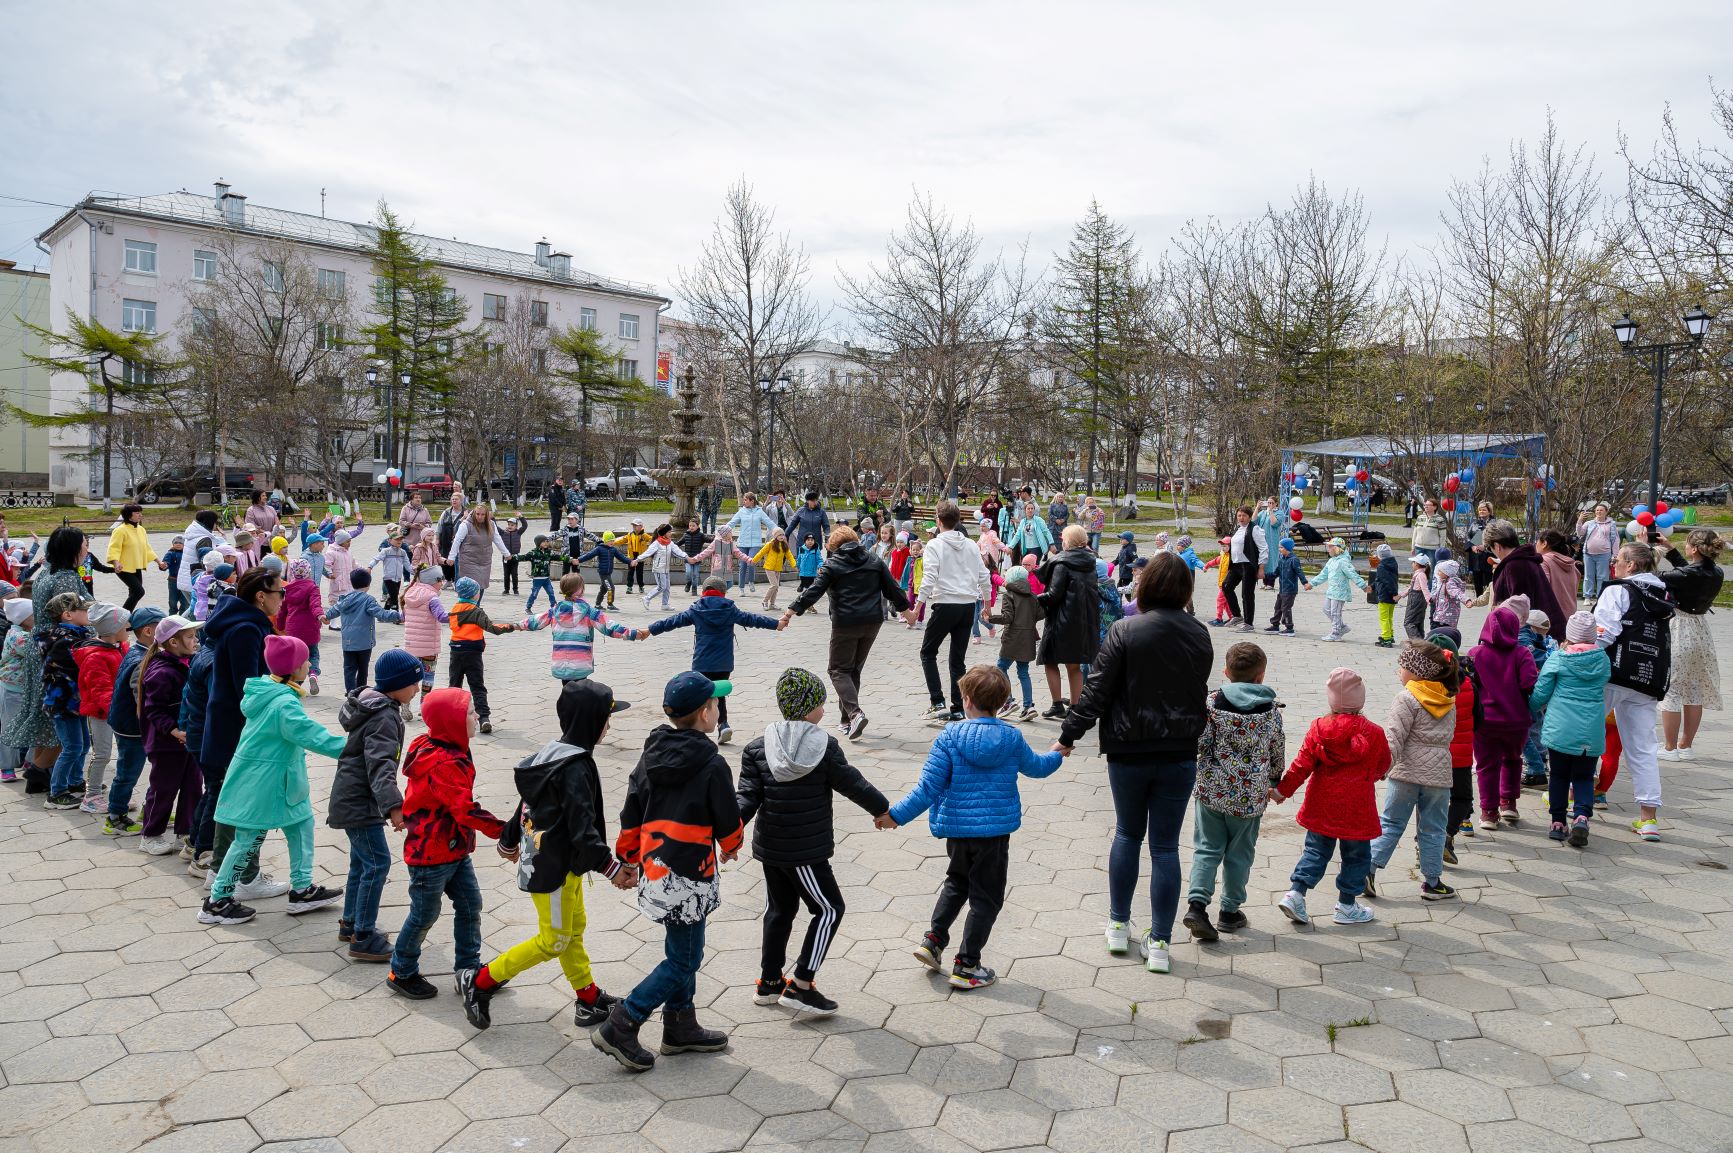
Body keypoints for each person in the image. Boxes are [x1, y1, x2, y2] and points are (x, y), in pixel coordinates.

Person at [1057, 554, 1212, 974]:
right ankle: (1159, 942)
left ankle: (1117, 925)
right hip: (1179, 751)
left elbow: (1096, 690)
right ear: (1184, 590)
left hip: (1129, 749)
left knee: (1127, 834)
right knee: (1165, 847)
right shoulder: (1199, 633)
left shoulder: (1125, 630)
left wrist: (1069, 734)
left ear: (1145, 587)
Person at [593, 672, 742, 1071]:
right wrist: (731, 847)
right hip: (691, 877)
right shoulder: (712, 764)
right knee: (684, 960)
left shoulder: (651, 753)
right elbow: (728, 821)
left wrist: (626, 859)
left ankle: (680, 1024)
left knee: (681, 949)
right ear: (704, 714)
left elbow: (631, 812)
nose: (717, 708)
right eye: (715, 703)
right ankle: (622, 1023)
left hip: (656, 872)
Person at [463, 679, 629, 1031]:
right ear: (590, 722)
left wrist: (508, 840)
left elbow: (528, 802)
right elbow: (582, 827)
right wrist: (611, 868)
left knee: (572, 929)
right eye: (606, 718)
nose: (609, 725)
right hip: (551, 867)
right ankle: (481, 982)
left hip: (560, 863)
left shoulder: (552, 753)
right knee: (553, 939)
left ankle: (588, 999)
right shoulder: (575, 767)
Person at [886, 665, 1063, 988]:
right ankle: (967, 965)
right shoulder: (1011, 737)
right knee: (986, 898)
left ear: (966, 700)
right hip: (994, 835)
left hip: (957, 831)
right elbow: (1037, 768)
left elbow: (927, 789)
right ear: (1002, 702)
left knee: (956, 883)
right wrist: (1057, 753)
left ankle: (933, 940)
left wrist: (894, 815)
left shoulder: (949, 737)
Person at [737, 668, 889, 1015]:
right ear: (810, 708)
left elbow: (746, 798)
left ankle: (769, 983)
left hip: (771, 848)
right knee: (830, 908)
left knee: (780, 910)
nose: (824, 708)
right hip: (804, 849)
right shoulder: (824, 746)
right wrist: (883, 809)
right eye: (821, 702)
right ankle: (802, 983)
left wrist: (730, 833)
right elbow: (853, 783)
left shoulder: (758, 747)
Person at [200, 634, 346, 926]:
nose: (309, 664)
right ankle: (217, 900)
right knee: (247, 840)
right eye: (305, 660)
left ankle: (302, 889)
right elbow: (310, 735)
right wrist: (353, 749)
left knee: (301, 824)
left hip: (282, 783)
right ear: (294, 668)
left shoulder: (273, 692)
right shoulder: (283, 704)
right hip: (262, 784)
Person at [386, 687, 505, 999]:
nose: (477, 716)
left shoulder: (445, 745)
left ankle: (468, 970)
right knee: (424, 914)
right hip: (430, 855)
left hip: (453, 848)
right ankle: (402, 970)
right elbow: (464, 811)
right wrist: (505, 832)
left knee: (470, 905)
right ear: (450, 721)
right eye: (469, 713)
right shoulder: (443, 762)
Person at [1272, 667, 1390, 927]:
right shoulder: (1375, 732)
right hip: (1357, 807)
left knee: (1315, 850)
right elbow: (1383, 765)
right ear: (1360, 699)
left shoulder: (1319, 727)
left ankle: (1296, 893)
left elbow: (1301, 764)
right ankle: (1347, 905)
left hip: (1322, 803)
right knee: (1357, 856)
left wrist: (1282, 790)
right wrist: (1372, 775)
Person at [1182, 641, 1284, 943]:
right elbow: (1277, 749)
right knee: (1240, 854)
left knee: (1207, 848)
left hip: (1212, 790)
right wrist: (1274, 781)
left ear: (1226, 672)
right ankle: (1229, 912)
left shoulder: (1212, 705)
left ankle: (1197, 906)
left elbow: (1200, 744)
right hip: (1249, 798)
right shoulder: (1271, 711)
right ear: (1261, 676)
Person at [329, 649, 420, 963]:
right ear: (396, 685)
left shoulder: (372, 706)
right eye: (413, 683)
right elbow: (379, 766)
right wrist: (395, 806)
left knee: (362, 862)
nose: (418, 689)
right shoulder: (383, 716)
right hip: (360, 801)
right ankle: (364, 936)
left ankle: (352, 922)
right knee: (378, 863)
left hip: (353, 797)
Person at [782, 525, 912, 740]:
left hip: (846, 623)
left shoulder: (832, 565)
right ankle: (846, 721)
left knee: (838, 670)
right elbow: (893, 588)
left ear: (834, 546)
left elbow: (814, 590)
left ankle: (854, 713)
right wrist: (907, 611)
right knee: (852, 671)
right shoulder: (874, 560)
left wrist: (791, 610)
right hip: (873, 621)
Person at [1363, 641, 1459, 903]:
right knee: (1434, 828)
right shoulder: (1448, 698)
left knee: (1392, 822)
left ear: (1418, 671)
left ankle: (1367, 871)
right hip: (1439, 775)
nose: (1399, 672)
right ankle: (1432, 882)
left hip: (1405, 772)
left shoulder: (1406, 698)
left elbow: (1394, 738)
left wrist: (1381, 768)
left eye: (1403, 667)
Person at [1594, 541, 1673, 841]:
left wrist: (1578, 655)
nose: (1614, 563)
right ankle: (1648, 818)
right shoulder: (1663, 594)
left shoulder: (1618, 590)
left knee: (1583, 732)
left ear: (1631, 565)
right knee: (1643, 748)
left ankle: (1575, 796)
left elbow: (1605, 631)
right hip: (1649, 677)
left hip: (1612, 673)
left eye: (1617, 559)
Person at [646, 576, 785, 745]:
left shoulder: (696, 609)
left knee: (700, 695)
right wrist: (776, 624)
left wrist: (649, 630)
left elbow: (672, 621)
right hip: (723, 663)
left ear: (704, 592)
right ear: (723, 593)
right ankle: (722, 724)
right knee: (718, 694)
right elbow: (753, 619)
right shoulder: (730, 609)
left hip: (702, 662)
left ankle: (694, 728)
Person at [1531, 612, 1611, 847]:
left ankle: (1557, 822)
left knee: (1558, 775)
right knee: (1584, 776)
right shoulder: (1603, 660)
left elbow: (1541, 693)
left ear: (1569, 635)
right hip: (1591, 729)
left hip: (1560, 728)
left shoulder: (1558, 658)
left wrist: (1529, 707)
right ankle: (1582, 816)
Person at [915, 503, 993, 724]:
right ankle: (958, 708)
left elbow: (929, 577)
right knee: (957, 660)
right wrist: (987, 604)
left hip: (945, 604)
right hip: (967, 606)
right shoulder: (970, 544)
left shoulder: (934, 545)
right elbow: (984, 575)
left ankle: (937, 702)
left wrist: (917, 606)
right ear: (957, 520)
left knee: (928, 652)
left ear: (938, 520)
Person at [134, 613, 201, 853]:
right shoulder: (162, 672)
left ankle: (186, 831)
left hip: (187, 742)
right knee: (163, 789)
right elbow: (154, 710)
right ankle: (150, 835)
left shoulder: (186, 663)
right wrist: (174, 731)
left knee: (193, 786)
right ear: (173, 642)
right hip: (166, 744)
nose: (195, 641)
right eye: (190, 637)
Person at [1467, 606, 1538, 828]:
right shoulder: (1522, 653)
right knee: (1513, 760)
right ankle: (1508, 803)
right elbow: (1529, 683)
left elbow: (1469, 686)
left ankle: (1488, 812)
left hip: (1485, 722)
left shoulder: (1475, 654)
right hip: (1516, 721)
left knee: (1486, 765)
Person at [1656, 527, 1724, 760]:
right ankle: (1686, 746)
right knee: (1694, 690)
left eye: (1686, 544)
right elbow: (1689, 571)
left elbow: (1663, 577)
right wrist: (1671, 549)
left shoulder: (1688, 575)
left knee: (1672, 688)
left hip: (1679, 628)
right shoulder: (1716, 572)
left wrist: (1650, 551)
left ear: (1694, 549)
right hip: (1700, 630)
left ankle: (1669, 748)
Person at [520, 572, 643, 685]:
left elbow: (534, 621)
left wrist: (513, 626)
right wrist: (631, 633)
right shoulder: (589, 612)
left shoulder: (554, 611)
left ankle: (567, 707)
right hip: (581, 664)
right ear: (580, 590)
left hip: (561, 664)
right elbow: (609, 626)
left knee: (567, 691)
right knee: (579, 694)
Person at [1036, 525, 1101, 717]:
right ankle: (1075, 706)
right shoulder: (1090, 562)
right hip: (1082, 622)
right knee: (1074, 666)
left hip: (1060, 622)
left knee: (1050, 661)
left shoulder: (1062, 563)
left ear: (1067, 541)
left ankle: (1057, 704)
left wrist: (1036, 598)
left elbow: (1054, 595)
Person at [38, 591, 94, 809]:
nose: (88, 612)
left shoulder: (74, 635)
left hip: (74, 702)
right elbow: (79, 667)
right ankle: (57, 792)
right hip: (63, 703)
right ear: (67, 615)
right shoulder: (65, 641)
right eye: (83, 609)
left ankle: (75, 781)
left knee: (83, 744)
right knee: (71, 746)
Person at [71, 602, 129, 815]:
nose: (129, 627)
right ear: (113, 630)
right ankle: (92, 796)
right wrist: (117, 712)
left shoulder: (120, 647)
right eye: (125, 624)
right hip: (101, 713)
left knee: (122, 754)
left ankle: (117, 797)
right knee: (102, 754)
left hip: (117, 711)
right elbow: (100, 690)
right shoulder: (95, 656)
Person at [448, 577, 516, 734]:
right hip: (473, 654)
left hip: (456, 652)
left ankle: (452, 718)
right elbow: (492, 628)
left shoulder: (454, 609)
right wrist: (511, 626)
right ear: (473, 595)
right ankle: (484, 718)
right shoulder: (476, 612)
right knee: (477, 686)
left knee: (454, 686)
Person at [324, 570, 404, 695]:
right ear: (368, 584)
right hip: (365, 642)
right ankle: (360, 691)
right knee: (363, 668)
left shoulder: (345, 599)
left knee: (349, 668)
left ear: (352, 583)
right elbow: (382, 614)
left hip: (348, 641)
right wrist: (397, 615)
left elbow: (333, 611)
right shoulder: (368, 600)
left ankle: (350, 691)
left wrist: (325, 617)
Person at [1484, 519, 1565, 633]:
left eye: (1490, 548)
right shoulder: (1525, 560)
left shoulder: (1515, 566)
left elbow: (1519, 609)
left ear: (1497, 546)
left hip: (1533, 636)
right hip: (1543, 630)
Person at [988, 565, 1042, 721]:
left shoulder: (1009, 595)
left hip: (1012, 638)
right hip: (1028, 637)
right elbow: (1040, 614)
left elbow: (1007, 618)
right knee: (1023, 672)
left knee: (1001, 668)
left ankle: (1008, 701)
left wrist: (990, 618)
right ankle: (1028, 706)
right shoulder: (1032, 596)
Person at [1306, 537, 1366, 642]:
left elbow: (1352, 574)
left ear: (1337, 549)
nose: (1328, 549)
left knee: (1335, 612)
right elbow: (1323, 574)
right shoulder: (1331, 561)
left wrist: (1363, 585)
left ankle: (1336, 633)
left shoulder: (1343, 562)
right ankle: (1341, 627)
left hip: (1340, 592)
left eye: (1330, 547)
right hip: (1332, 591)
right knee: (1326, 609)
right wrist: (1312, 583)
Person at [106, 503, 163, 611]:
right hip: (123, 568)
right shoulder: (120, 530)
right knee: (139, 591)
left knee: (133, 593)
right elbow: (114, 548)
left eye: (140, 512)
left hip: (136, 566)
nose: (140, 515)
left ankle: (127, 618)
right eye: (137, 513)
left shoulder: (141, 529)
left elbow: (147, 548)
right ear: (128, 515)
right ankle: (122, 616)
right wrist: (116, 562)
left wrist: (158, 562)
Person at [448, 506, 512, 592]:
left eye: (483, 514)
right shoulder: (466, 525)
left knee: (481, 585)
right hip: (469, 561)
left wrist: (506, 553)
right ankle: (470, 605)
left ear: (486, 515)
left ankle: (476, 605)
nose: (480, 516)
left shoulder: (491, 524)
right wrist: (451, 557)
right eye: (477, 514)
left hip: (484, 561)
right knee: (471, 587)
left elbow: (497, 539)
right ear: (474, 513)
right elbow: (457, 541)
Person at [727, 495, 775, 592]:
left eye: (745, 500)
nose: (744, 501)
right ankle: (741, 588)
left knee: (752, 562)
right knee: (743, 565)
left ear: (752, 501)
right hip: (742, 542)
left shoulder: (759, 512)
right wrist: (722, 531)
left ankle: (751, 581)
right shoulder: (741, 511)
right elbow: (732, 523)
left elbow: (769, 522)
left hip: (755, 543)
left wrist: (778, 531)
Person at [638, 524, 690, 612]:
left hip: (666, 569)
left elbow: (677, 551)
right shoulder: (656, 543)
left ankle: (665, 604)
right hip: (658, 568)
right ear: (664, 533)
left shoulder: (669, 542)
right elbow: (647, 553)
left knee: (667, 587)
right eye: (669, 532)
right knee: (662, 586)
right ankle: (646, 598)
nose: (671, 534)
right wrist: (637, 560)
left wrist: (686, 557)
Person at [1535, 529, 1580, 626]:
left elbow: (1542, 591)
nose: (1536, 545)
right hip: (1571, 618)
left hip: (1551, 620)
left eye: (1537, 542)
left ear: (1544, 543)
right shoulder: (1571, 564)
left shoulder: (1544, 561)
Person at [1576, 503, 1620, 601]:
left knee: (1603, 577)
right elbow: (1580, 533)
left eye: (1601, 510)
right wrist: (1580, 520)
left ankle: (1601, 597)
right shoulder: (1589, 523)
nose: (1599, 512)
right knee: (1588, 576)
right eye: (1597, 510)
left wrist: (1615, 555)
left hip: (1604, 554)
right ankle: (1587, 597)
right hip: (1588, 554)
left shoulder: (1611, 524)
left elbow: (1616, 540)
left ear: (1606, 512)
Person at [577, 531, 631, 608]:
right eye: (610, 540)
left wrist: (630, 562)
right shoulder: (599, 549)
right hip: (603, 573)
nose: (612, 542)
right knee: (610, 588)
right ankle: (610, 604)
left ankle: (597, 604)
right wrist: (579, 560)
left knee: (604, 589)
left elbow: (621, 557)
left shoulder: (613, 549)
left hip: (608, 572)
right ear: (605, 541)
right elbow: (589, 555)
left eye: (613, 540)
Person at [750, 528, 795, 611]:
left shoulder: (784, 545)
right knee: (774, 585)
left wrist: (794, 564)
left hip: (778, 569)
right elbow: (761, 552)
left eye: (783, 535)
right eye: (779, 535)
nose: (782, 536)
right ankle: (764, 601)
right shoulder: (770, 544)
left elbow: (789, 556)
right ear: (775, 536)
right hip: (769, 568)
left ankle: (772, 604)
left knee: (776, 587)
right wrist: (754, 560)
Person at [369, 526, 412, 611]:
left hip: (398, 578)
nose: (399, 541)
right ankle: (395, 615)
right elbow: (376, 559)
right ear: (389, 540)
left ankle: (384, 613)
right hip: (388, 578)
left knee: (392, 596)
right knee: (394, 596)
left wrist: (417, 572)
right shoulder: (386, 551)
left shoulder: (403, 552)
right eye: (396, 539)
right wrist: (370, 567)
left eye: (400, 539)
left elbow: (408, 566)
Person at [1266, 538, 1302, 636]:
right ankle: (1275, 625)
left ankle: (1289, 628)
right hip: (1282, 590)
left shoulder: (1294, 560)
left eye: (1281, 547)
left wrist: (1305, 582)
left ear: (1287, 548)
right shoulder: (1281, 560)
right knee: (1278, 607)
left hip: (1290, 590)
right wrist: (1264, 575)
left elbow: (1300, 572)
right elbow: (1275, 573)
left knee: (1286, 608)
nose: (1279, 549)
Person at [1371, 543, 1400, 648]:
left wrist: (1393, 594)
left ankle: (1386, 638)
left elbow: (1385, 581)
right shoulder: (1393, 563)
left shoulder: (1381, 566)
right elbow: (1384, 579)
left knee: (1383, 618)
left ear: (1380, 555)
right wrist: (1373, 586)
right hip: (1392, 595)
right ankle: (1390, 634)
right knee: (1389, 617)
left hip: (1385, 595)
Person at [434, 492, 467, 584]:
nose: (454, 501)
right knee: (445, 558)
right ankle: (447, 579)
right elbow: (439, 526)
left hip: (460, 541)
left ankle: (455, 580)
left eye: (456, 499)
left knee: (457, 559)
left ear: (461, 501)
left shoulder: (466, 513)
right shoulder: (446, 512)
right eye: (452, 499)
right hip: (445, 540)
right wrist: (437, 539)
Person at [789, 492, 831, 559]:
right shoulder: (801, 511)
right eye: (812, 501)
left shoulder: (821, 512)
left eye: (816, 500)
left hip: (816, 542)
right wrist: (785, 535)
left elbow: (826, 527)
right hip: (802, 543)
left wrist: (827, 540)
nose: (815, 502)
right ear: (808, 501)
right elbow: (792, 525)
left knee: (814, 562)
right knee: (802, 561)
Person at [1402, 553, 1432, 640]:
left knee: (1409, 623)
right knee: (1418, 622)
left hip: (1416, 601)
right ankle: (1422, 642)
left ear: (1417, 564)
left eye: (1413, 562)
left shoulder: (1421, 575)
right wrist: (1401, 595)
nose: (1412, 564)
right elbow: (1411, 588)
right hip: (1417, 599)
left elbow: (1425, 589)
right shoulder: (1419, 574)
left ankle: (1418, 643)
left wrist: (1429, 600)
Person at [1410, 499, 1449, 563]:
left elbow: (1443, 536)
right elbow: (1415, 533)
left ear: (1435, 507)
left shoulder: (1440, 519)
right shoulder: (1420, 517)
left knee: (1431, 569)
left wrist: (1441, 550)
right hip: (1419, 548)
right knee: (1419, 569)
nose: (1425, 506)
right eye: (1425, 505)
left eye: (1428, 505)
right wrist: (1413, 547)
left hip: (1432, 550)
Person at [622, 518, 652, 595]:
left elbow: (652, 539)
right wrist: (612, 542)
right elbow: (621, 540)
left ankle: (641, 586)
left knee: (640, 573)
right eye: (633, 525)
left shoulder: (644, 535)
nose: (634, 527)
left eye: (636, 526)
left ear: (641, 526)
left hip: (640, 557)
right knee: (630, 572)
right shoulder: (630, 535)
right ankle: (629, 587)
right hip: (631, 556)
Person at [398, 489, 433, 555]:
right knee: (408, 560)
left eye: (419, 498)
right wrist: (411, 525)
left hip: (421, 540)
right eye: (416, 498)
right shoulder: (405, 508)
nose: (418, 499)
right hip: (408, 540)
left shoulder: (425, 510)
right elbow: (401, 521)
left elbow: (430, 523)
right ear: (411, 499)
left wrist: (424, 527)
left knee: (420, 562)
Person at [163, 536, 187, 617]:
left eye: (180, 543)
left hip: (185, 581)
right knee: (172, 601)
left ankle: (182, 618)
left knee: (185, 602)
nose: (178, 544)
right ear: (173, 544)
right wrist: (164, 565)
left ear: (184, 544)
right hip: (173, 581)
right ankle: (171, 617)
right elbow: (165, 563)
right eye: (176, 543)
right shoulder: (170, 553)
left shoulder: (187, 554)